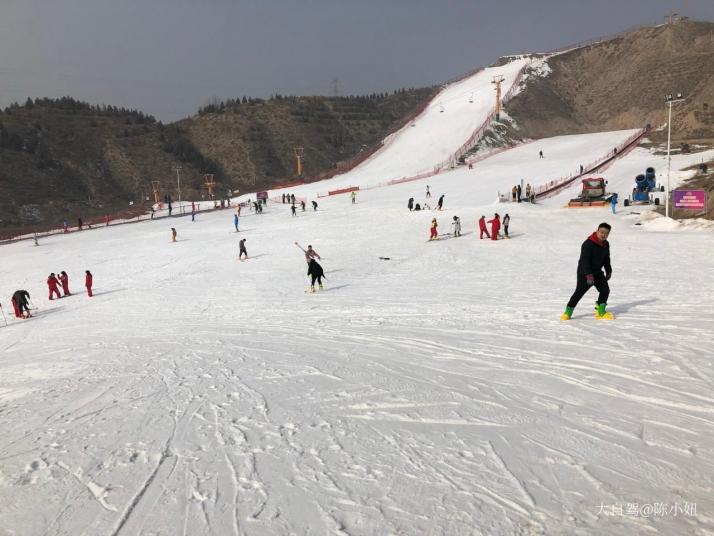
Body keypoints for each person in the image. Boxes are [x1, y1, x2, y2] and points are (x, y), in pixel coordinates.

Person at [561, 223, 614, 321]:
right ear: (597, 231)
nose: (604, 235)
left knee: (605, 290)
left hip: (597, 272)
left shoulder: (606, 244)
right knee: (579, 293)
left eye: (606, 234)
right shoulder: (588, 244)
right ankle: (568, 312)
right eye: (602, 232)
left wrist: (609, 270)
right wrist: (588, 275)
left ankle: (600, 312)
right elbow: (584, 261)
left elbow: (606, 259)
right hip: (584, 273)